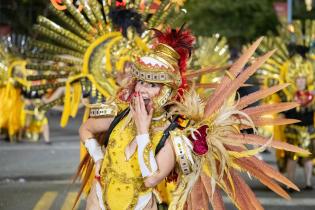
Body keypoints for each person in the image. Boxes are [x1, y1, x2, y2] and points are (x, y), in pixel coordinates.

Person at [77, 28, 308, 210]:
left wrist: (143, 131)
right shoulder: (119, 115)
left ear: (166, 91)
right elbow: (86, 129)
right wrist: (97, 156)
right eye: (142, 82)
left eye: (153, 85)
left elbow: (150, 179)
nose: (144, 90)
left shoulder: (171, 135)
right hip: (99, 200)